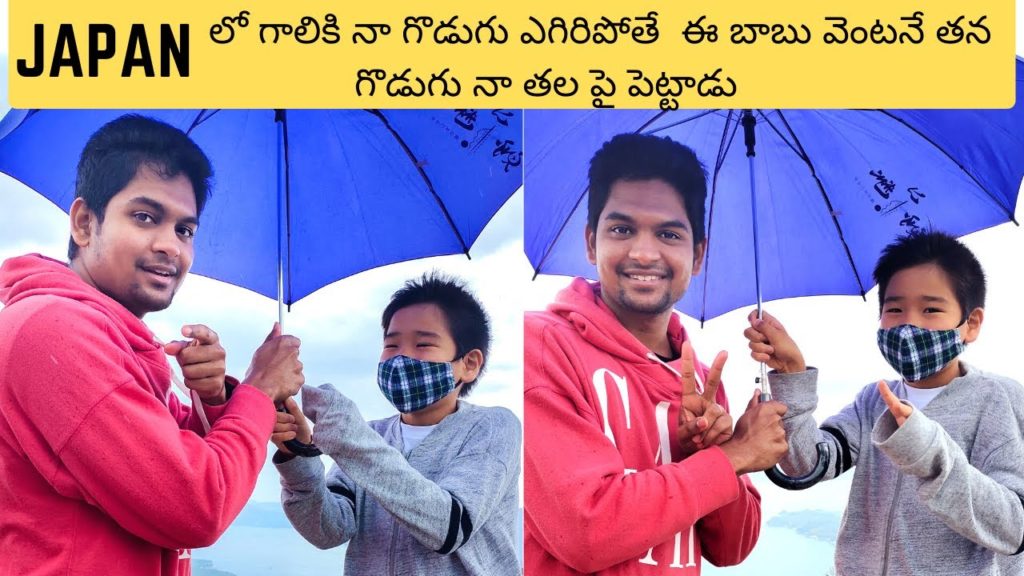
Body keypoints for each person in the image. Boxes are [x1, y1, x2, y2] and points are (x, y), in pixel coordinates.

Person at [0, 114, 305, 575]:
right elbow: (196, 505)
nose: (171, 247)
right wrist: (259, 391)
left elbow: (176, 454)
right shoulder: (53, 330)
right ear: (84, 223)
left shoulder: (115, 341)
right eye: (145, 217)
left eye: (185, 230)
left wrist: (216, 398)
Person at [524, 133, 790, 575]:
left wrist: (712, 449)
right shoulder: (542, 344)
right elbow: (587, 532)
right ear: (591, 244)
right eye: (622, 229)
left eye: (668, 233)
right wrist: (734, 456)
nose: (644, 253)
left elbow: (731, 548)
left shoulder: (701, 380)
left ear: (697, 254)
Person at [744, 230, 1024, 575]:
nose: (909, 324)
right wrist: (791, 374)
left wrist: (930, 455)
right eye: (894, 309)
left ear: (971, 324)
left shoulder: (998, 400)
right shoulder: (873, 400)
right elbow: (807, 466)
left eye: (931, 309)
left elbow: (1015, 527)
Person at [274, 272, 521, 575]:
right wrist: (298, 455)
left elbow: (449, 527)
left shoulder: (492, 427)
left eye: (423, 344)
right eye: (391, 346)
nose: (402, 357)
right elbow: (328, 530)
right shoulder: (373, 435)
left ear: (468, 364)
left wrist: (351, 440)